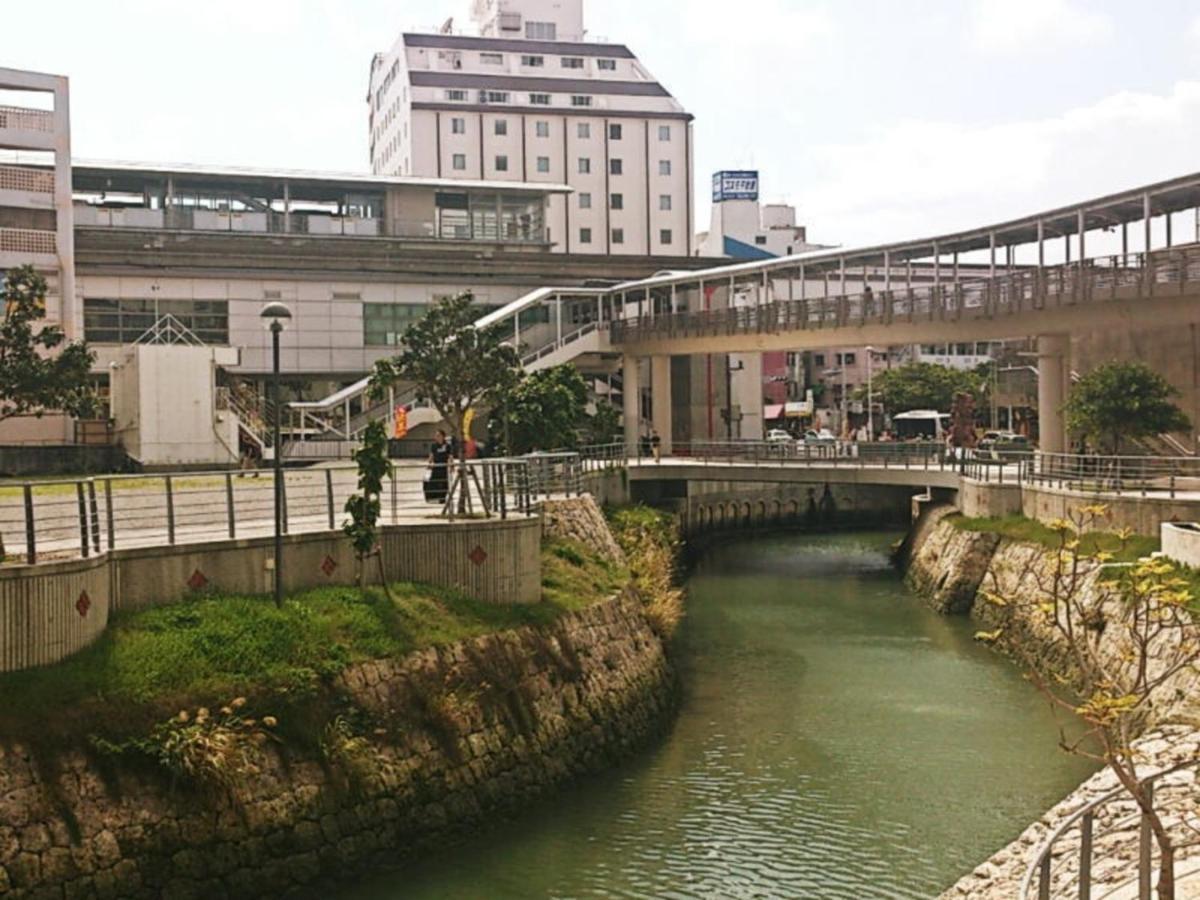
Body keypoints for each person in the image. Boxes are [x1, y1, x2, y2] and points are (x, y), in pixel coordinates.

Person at [427, 429, 453, 503]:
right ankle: (433, 497)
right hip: (436, 466)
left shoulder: (447, 445)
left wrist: (451, 465)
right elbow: (431, 455)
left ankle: (443, 497)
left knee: (444, 482)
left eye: (438, 435)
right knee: (434, 481)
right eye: (436, 436)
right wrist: (429, 463)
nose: (437, 437)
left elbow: (450, 456)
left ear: (443, 436)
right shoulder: (434, 445)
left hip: (444, 466)